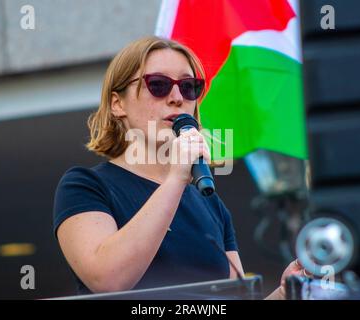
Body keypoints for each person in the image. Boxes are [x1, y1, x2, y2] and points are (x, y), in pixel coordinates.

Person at [53, 36, 307, 298]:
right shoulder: (85, 186)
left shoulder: (209, 201)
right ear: (118, 104)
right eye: (158, 85)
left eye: (189, 87)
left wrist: (284, 293)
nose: (176, 98)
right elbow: (108, 279)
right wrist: (175, 179)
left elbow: (232, 297)